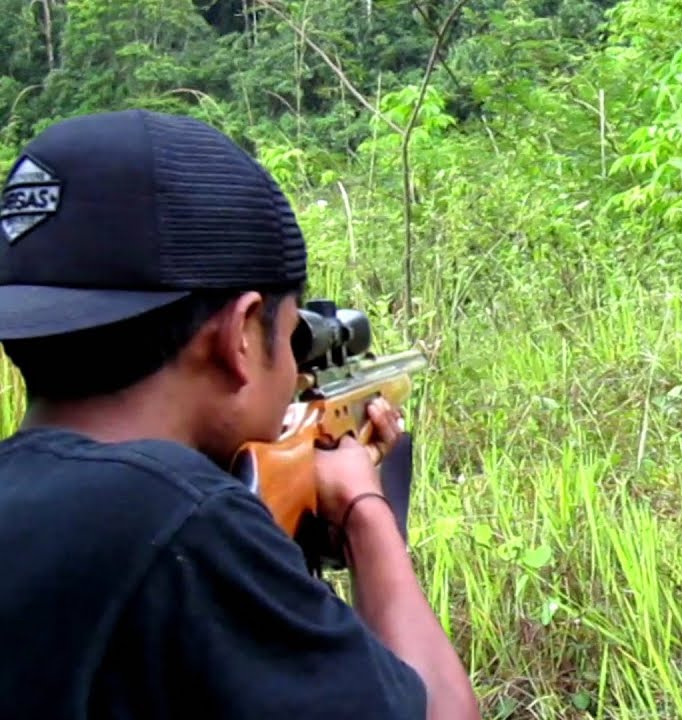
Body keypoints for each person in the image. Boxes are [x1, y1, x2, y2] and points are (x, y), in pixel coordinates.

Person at [0, 109, 481, 720]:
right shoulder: (192, 522)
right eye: (291, 336)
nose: (295, 379)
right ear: (241, 337)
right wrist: (364, 509)